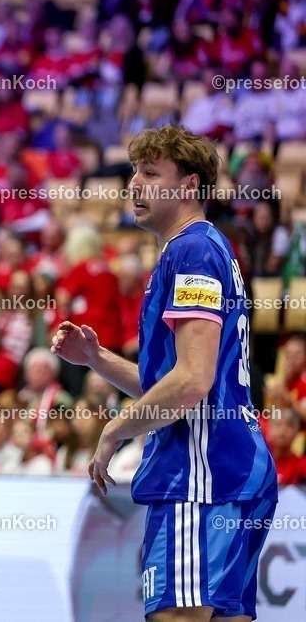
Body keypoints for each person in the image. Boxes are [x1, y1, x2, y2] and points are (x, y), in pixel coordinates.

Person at [52, 125, 278, 621]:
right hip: (233, 467)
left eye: (151, 173)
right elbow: (180, 383)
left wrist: (114, 429)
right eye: (134, 171)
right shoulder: (204, 249)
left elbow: (192, 383)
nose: (134, 183)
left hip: (201, 473)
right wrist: (98, 360)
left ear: (189, 185)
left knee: (177, 616)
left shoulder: (191, 250)